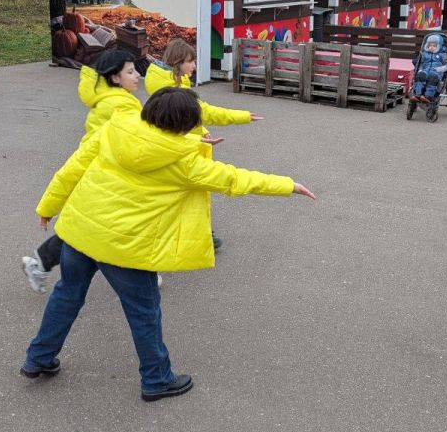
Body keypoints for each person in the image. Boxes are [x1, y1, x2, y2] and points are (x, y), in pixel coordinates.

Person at [21, 87, 315, 402]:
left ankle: (38, 358)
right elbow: (235, 180)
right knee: (143, 311)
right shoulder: (185, 165)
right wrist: (289, 185)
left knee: (67, 295)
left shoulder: (116, 127)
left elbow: (74, 166)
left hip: (79, 232)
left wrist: (47, 206)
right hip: (124, 249)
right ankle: (157, 378)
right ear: (184, 126)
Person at [21, 49, 143, 293]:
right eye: (130, 72)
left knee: (89, 228)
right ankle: (140, 272)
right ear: (115, 78)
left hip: (106, 173)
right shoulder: (120, 106)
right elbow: (141, 137)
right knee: (93, 229)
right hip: (106, 175)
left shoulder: (114, 100)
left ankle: (41, 261)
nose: (137, 75)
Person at [145, 38, 263, 249]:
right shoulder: (172, 90)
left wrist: (202, 133)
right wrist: (242, 116)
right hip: (180, 150)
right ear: (179, 61)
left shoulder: (173, 83)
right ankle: (191, 235)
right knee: (188, 193)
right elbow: (202, 112)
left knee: (188, 194)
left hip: (183, 145)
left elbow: (190, 118)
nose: (194, 66)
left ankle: (200, 233)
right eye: (191, 61)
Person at [411, 34, 447, 103]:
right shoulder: (424, 54)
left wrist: (438, 69)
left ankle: (428, 96)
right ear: (427, 46)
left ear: (438, 46)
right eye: (430, 45)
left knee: (432, 77)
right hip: (425, 71)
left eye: (434, 46)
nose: (431, 47)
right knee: (420, 75)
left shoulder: (442, 55)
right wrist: (420, 69)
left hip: (436, 73)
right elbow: (421, 64)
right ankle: (418, 94)